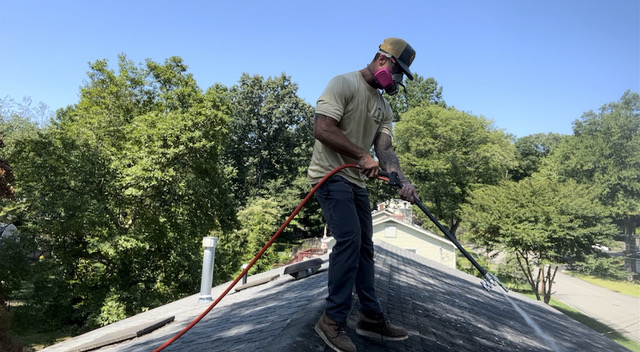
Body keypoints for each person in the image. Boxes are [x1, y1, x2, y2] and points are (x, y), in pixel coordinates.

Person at [308, 38, 419, 352]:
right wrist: (360, 155)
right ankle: (331, 320)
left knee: (366, 248)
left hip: (355, 181)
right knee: (350, 240)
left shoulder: (384, 107)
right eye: (398, 71)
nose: (397, 80)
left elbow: (385, 152)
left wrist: (403, 181)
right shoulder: (343, 84)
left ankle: (370, 317)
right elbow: (323, 128)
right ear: (383, 60)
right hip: (329, 177)